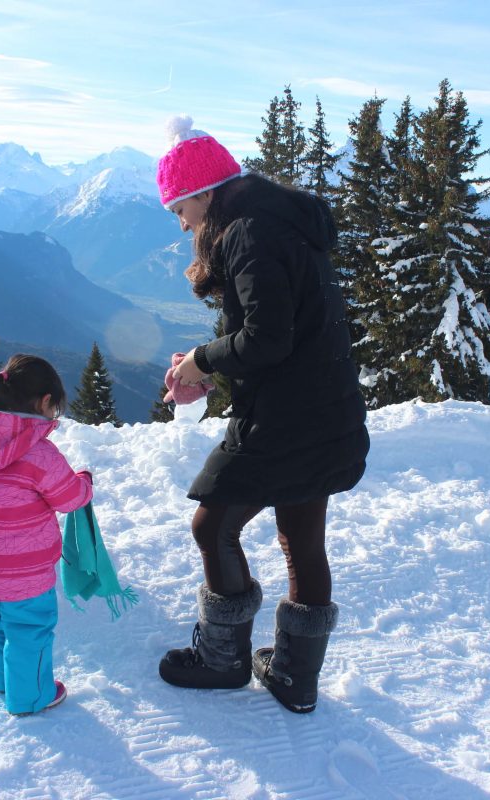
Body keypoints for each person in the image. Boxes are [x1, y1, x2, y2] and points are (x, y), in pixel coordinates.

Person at [155, 116, 370, 714]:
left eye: (180, 208)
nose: (182, 222)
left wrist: (202, 359)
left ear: (204, 194)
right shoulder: (279, 221)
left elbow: (268, 340)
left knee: (211, 526)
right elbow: (281, 335)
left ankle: (223, 662)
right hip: (325, 411)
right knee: (303, 539)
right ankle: (295, 679)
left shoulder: (246, 232)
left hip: (284, 423)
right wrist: (209, 367)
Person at [0, 353, 94, 715]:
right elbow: (69, 499)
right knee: (29, 631)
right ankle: (30, 697)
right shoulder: (39, 454)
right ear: (45, 402)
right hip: (25, 574)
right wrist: (85, 482)